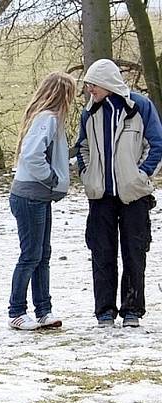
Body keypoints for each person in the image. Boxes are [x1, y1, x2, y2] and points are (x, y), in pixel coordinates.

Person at [76, 58, 162, 329]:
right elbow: (82, 148)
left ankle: (133, 310)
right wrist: (88, 175)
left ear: (107, 84)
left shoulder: (140, 107)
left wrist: (141, 175)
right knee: (102, 252)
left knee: (134, 252)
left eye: (93, 85)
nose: (90, 90)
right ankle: (104, 311)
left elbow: (157, 145)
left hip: (133, 195)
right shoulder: (89, 113)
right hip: (100, 196)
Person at [7, 72, 77, 331]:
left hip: (39, 196)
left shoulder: (48, 119)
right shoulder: (47, 119)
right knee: (31, 255)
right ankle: (16, 310)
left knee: (42, 255)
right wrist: (51, 178)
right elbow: (33, 155)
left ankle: (44, 310)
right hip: (30, 196)